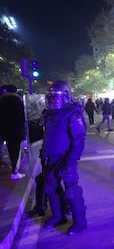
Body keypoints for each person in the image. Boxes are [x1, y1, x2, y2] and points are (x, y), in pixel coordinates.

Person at [40, 80, 87, 235]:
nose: (54, 99)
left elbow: (79, 140)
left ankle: (80, 222)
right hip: (51, 158)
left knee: (71, 191)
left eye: (57, 96)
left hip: (67, 159)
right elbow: (47, 135)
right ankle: (58, 216)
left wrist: (70, 161)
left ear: (66, 96)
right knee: (51, 188)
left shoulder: (73, 113)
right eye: (51, 96)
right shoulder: (49, 113)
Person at [0, 84, 26, 179]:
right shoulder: (18, 101)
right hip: (16, 131)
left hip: (4, 131)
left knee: (8, 150)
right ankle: (15, 172)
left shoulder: (1, 100)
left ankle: (10, 166)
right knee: (16, 151)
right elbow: (22, 118)